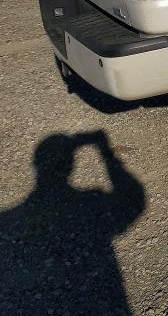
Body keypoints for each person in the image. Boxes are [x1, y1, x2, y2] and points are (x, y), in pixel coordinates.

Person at [0, 130, 146, 315]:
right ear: (70, 165)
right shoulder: (93, 203)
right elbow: (133, 202)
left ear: (36, 165)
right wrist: (105, 151)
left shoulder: (6, 222)